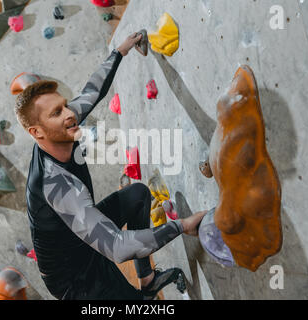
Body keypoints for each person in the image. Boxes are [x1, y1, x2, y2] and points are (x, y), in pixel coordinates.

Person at [15, 32, 206, 300]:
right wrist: (182, 226)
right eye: (57, 113)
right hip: (74, 278)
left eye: (64, 105)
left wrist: (121, 50)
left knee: (138, 196)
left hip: (79, 237)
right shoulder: (54, 182)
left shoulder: (63, 128)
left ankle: (148, 280)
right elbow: (116, 247)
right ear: (37, 132)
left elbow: (92, 92)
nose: (70, 114)